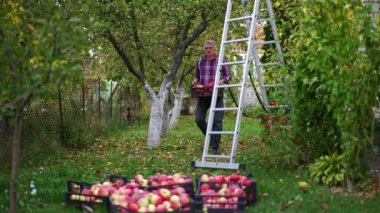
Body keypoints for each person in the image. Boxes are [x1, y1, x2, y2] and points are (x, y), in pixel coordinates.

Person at [192, 39, 231, 154]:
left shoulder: (220, 61)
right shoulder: (200, 61)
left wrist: (223, 80)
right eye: (206, 48)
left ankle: (215, 147)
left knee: (217, 121)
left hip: (217, 94)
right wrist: (195, 81)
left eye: (210, 48)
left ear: (215, 49)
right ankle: (210, 138)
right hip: (203, 94)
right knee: (199, 119)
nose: (208, 50)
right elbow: (197, 76)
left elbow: (228, 75)